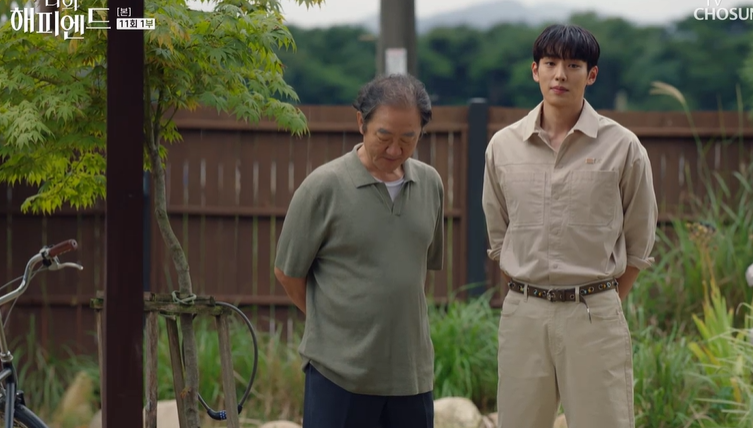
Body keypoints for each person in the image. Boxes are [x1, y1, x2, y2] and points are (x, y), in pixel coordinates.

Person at [482, 24, 658, 428]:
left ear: (590, 74)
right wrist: (531, 292)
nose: (560, 74)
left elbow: (639, 241)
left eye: (573, 65)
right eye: (550, 63)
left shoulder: (623, 147)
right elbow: (499, 237)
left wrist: (602, 297)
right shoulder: (503, 147)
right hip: (524, 315)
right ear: (535, 70)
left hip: (594, 314)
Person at [274, 74, 444, 428]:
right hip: (339, 374)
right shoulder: (324, 187)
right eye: (384, 136)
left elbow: (415, 273)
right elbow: (287, 273)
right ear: (361, 123)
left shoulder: (430, 184)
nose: (395, 149)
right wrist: (333, 324)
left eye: (408, 138)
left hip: (411, 376)